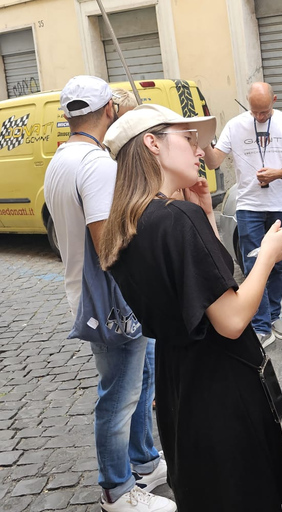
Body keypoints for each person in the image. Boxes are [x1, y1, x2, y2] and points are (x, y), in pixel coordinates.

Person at [99, 104, 282, 511]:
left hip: (179, 385)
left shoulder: (131, 222)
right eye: (188, 139)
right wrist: (267, 256)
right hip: (220, 387)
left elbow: (202, 286)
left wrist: (205, 213)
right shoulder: (176, 218)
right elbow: (232, 318)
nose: (200, 150)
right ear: (152, 143)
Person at [43, 76, 173, 512]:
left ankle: (145, 461)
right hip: (115, 301)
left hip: (90, 295)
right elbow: (109, 245)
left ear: (68, 115)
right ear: (110, 112)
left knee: (139, 382)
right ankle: (116, 489)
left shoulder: (62, 160)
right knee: (118, 397)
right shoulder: (97, 165)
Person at [203, 82, 282, 347]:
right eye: (255, 111)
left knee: (279, 263)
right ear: (248, 103)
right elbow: (214, 161)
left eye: (265, 111)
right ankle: (260, 325)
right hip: (249, 204)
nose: (260, 117)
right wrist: (203, 142)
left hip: (279, 202)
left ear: (274, 99)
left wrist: (279, 172)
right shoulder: (236, 125)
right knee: (253, 265)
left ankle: (273, 316)